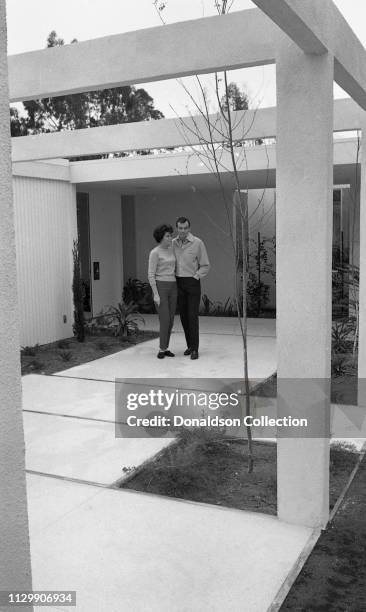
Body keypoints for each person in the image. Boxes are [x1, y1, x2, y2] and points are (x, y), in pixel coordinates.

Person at [172, 217, 210, 360]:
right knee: (183, 317)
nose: (183, 231)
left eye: (185, 228)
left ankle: (195, 349)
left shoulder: (197, 243)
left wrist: (196, 276)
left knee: (192, 316)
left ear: (189, 228)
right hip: (178, 282)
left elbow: (205, 265)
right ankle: (189, 345)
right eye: (180, 228)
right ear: (177, 228)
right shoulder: (172, 244)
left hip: (192, 282)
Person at [148, 224, 177, 359]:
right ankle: (161, 349)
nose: (170, 238)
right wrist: (155, 293)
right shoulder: (155, 252)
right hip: (161, 286)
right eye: (167, 235)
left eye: (170, 235)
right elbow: (150, 274)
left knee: (171, 320)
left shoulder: (172, 250)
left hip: (173, 286)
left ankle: (166, 347)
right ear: (161, 237)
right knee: (164, 319)